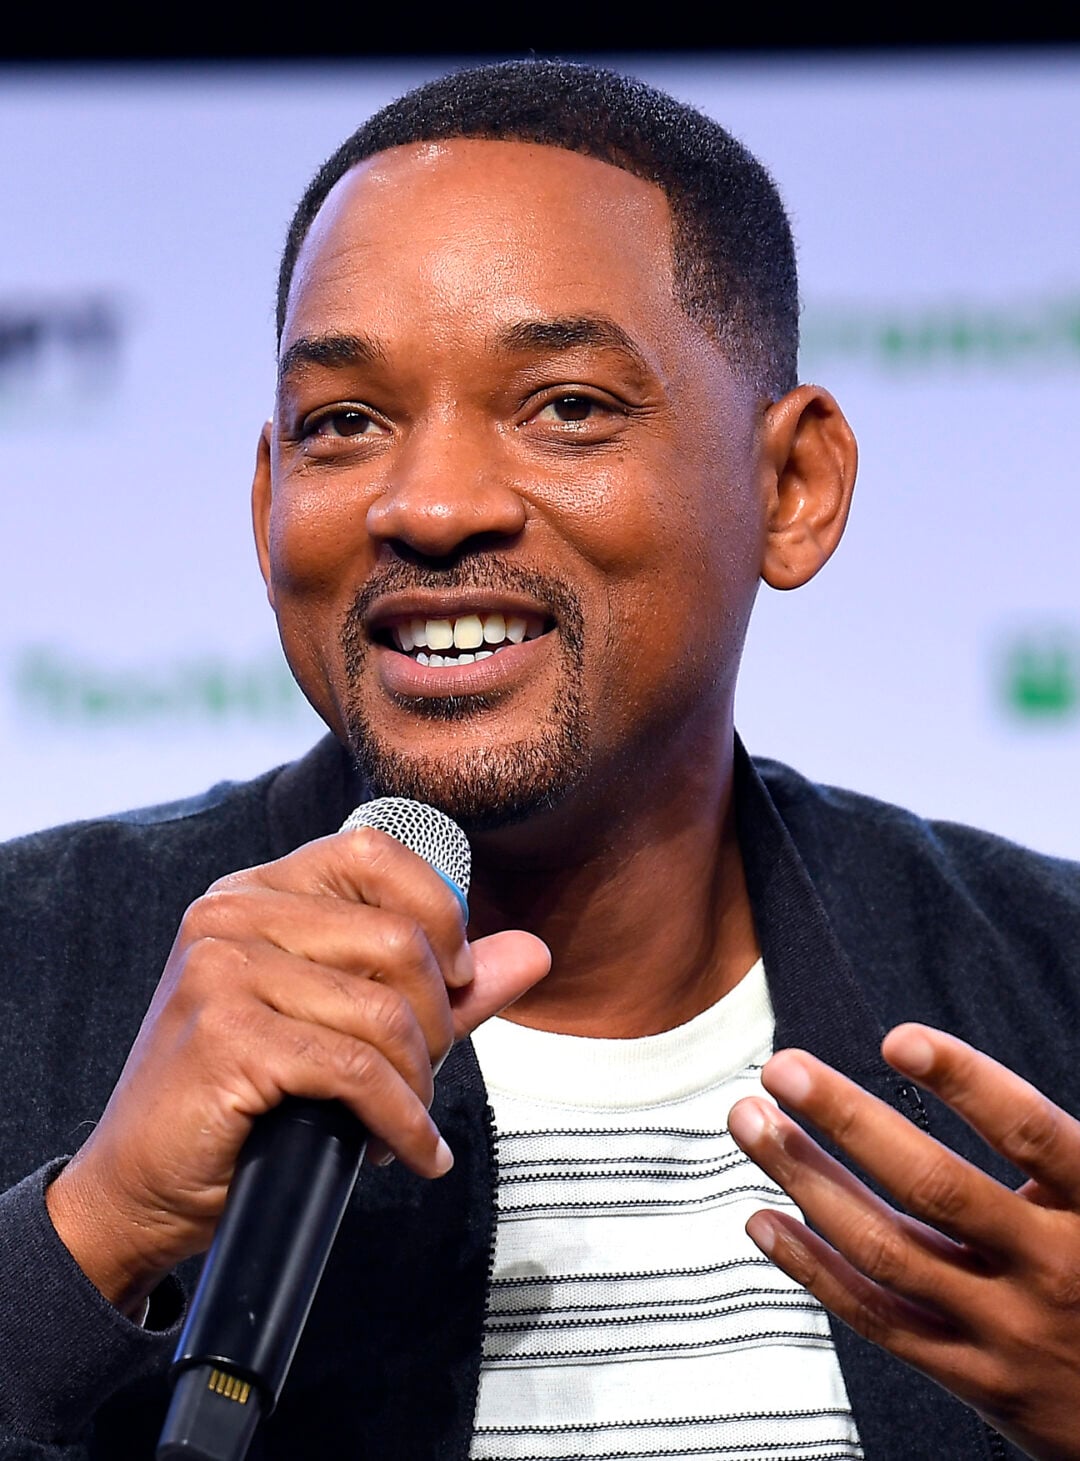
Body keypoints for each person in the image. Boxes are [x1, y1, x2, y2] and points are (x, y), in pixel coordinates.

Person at [1, 59, 1078, 1461]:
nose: (430, 503)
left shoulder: (1050, 981)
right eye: (346, 424)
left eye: (565, 404)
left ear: (793, 489)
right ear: (270, 500)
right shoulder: (27, 964)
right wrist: (83, 1238)